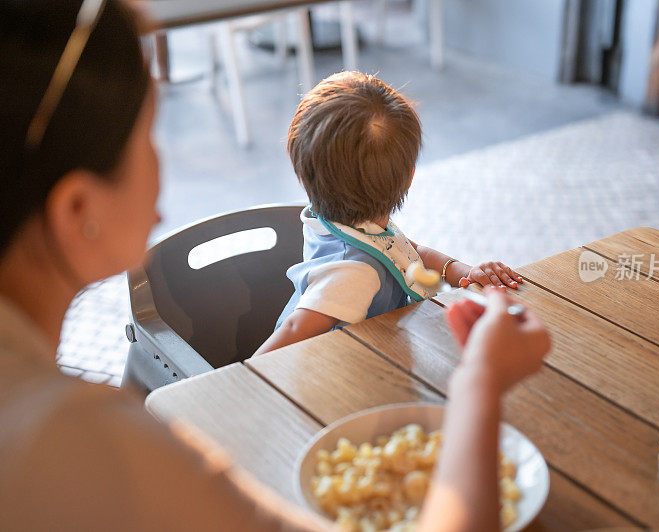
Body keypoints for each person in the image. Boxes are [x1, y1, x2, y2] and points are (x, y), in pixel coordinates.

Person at [0, 1, 551, 530]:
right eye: (149, 135)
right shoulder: (92, 451)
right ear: (78, 210)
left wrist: (455, 269)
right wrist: (483, 381)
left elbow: (408, 254)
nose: (165, 174)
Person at [254, 72, 523, 355]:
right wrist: (240, 382)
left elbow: (407, 253)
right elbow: (294, 329)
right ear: (409, 177)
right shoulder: (354, 272)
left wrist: (463, 272)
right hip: (344, 375)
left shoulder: (348, 217)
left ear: (304, 173)